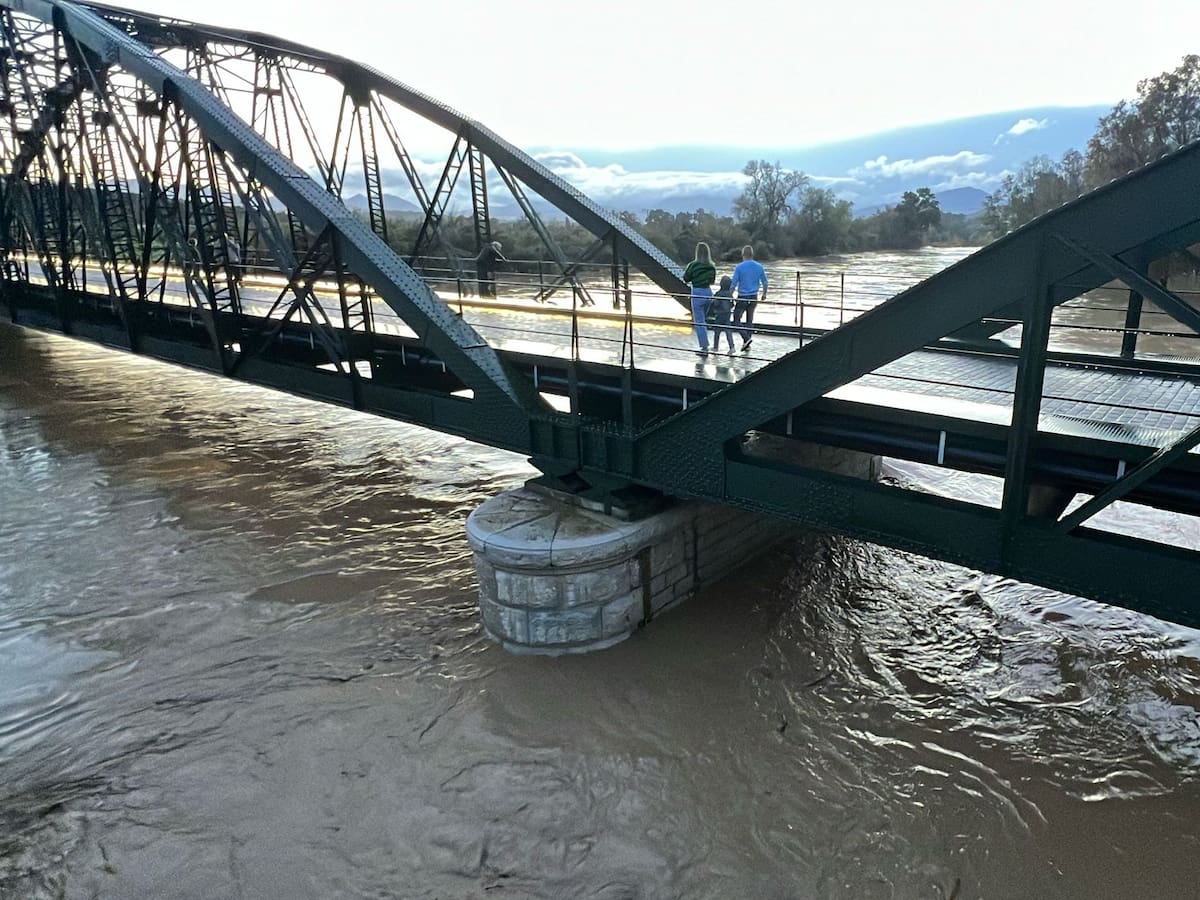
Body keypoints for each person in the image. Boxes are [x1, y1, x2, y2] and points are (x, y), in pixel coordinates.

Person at [730, 244, 767, 351]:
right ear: (752, 254)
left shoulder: (739, 267)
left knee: (736, 320)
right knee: (749, 320)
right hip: (753, 296)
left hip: (742, 296)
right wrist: (764, 294)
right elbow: (765, 282)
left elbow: (734, 283)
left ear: (743, 254)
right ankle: (747, 345)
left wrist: (729, 295)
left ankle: (746, 339)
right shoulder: (759, 266)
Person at [682, 241, 716, 354]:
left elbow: (686, 278)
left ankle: (704, 347)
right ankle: (709, 343)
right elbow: (712, 281)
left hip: (697, 293)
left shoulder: (693, 265)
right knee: (703, 319)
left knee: (699, 322)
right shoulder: (711, 266)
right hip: (708, 293)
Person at [709, 274, 735, 353]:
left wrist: (713, 306)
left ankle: (715, 347)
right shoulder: (729, 294)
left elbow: (716, 303)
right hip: (727, 314)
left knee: (717, 331)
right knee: (728, 331)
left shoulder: (718, 293)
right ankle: (732, 347)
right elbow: (732, 304)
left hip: (719, 314)